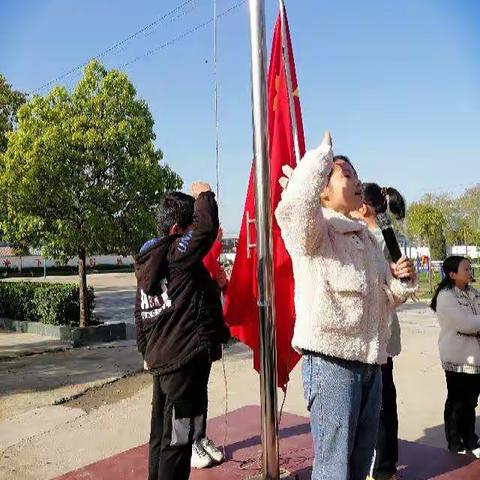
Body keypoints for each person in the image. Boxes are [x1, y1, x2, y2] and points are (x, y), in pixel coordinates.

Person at [275, 131, 416, 480]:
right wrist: (322, 156)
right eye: (346, 174)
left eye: (357, 173)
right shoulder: (314, 233)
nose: (357, 181)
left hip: (370, 365)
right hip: (332, 366)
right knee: (334, 468)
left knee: (358, 464)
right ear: (322, 187)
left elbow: (383, 301)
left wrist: (401, 281)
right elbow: (293, 206)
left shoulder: (367, 238)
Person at [134, 183, 231, 480]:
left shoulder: (151, 262)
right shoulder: (176, 255)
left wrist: (146, 352)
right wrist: (205, 196)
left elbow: (139, 315)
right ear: (177, 229)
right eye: (190, 227)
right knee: (178, 440)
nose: (195, 235)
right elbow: (206, 229)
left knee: (161, 437)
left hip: (164, 364)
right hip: (184, 366)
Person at [351, 183, 407, 480]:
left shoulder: (376, 239)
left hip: (378, 334)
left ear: (364, 208)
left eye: (357, 198)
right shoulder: (382, 233)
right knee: (381, 401)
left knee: (380, 404)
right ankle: (382, 465)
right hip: (376, 333)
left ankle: (383, 467)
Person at [431, 255, 480, 457]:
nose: (470, 272)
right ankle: (455, 441)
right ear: (452, 274)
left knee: (471, 401)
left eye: (470, 269)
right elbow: (465, 323)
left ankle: (470, 438)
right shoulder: (446, 296)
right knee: (457, 402)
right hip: (457, 357)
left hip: (475, 357)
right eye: (466, 269)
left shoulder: (473, 293)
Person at [190, 217, 228, 468]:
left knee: (201, 388)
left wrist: (222, 282)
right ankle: (190, 443)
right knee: (190, 390)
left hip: (208, 334)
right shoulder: (195, 252)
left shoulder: (211, 257)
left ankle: (200, 436)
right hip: (193, 335)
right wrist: (213, 239)